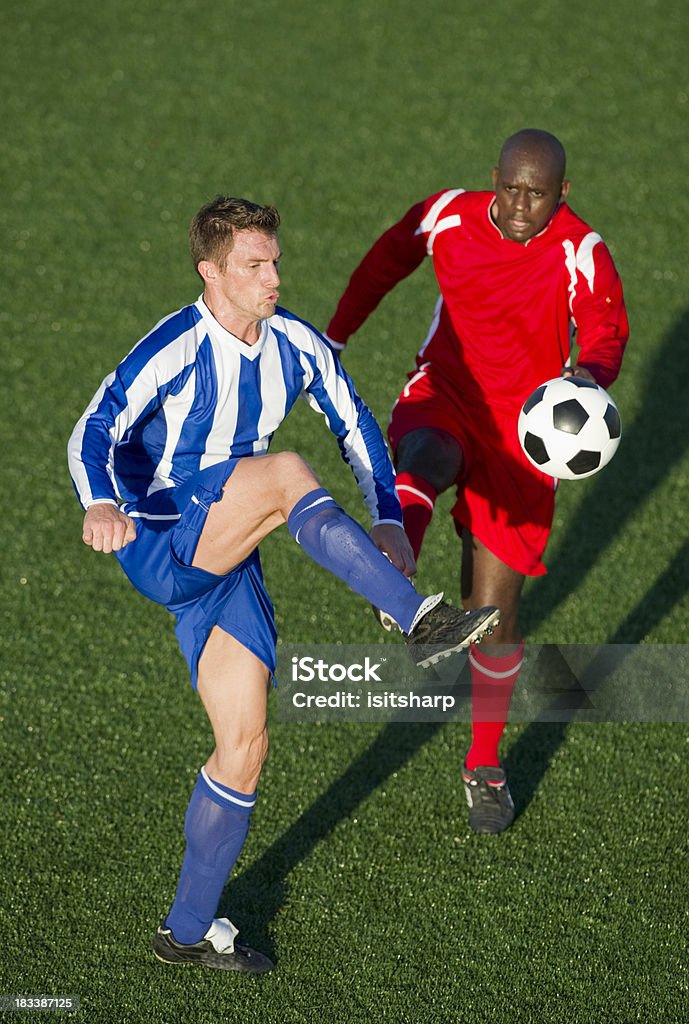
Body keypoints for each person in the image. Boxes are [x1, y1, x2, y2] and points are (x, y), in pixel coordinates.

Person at [67, 196, 499, 973]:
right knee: (286, 472)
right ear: (211, 272)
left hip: (227, 560)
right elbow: (94, 427)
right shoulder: (174, 346)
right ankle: (417, 621)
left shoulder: (295, 342)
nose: (274, 276)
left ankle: (187, 930)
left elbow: (355, 422)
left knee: (244, 746)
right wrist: (99, 500)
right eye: (254, 265)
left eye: (275, 261)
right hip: (165, 536)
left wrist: (391, 519)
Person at [324, 129, 629, 834]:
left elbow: (606, 330)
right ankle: (396, 589)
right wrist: (335, 340)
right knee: (422, 456)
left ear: (563, 193)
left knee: (494, 615)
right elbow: (386, 258)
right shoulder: (447, 216)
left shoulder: (580, 249)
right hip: (449, 395)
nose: (521, 206)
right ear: (493, 177)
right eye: (511, 188)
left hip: (527, 435)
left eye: (539, 194)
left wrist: (591, 375)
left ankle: (483, 763)